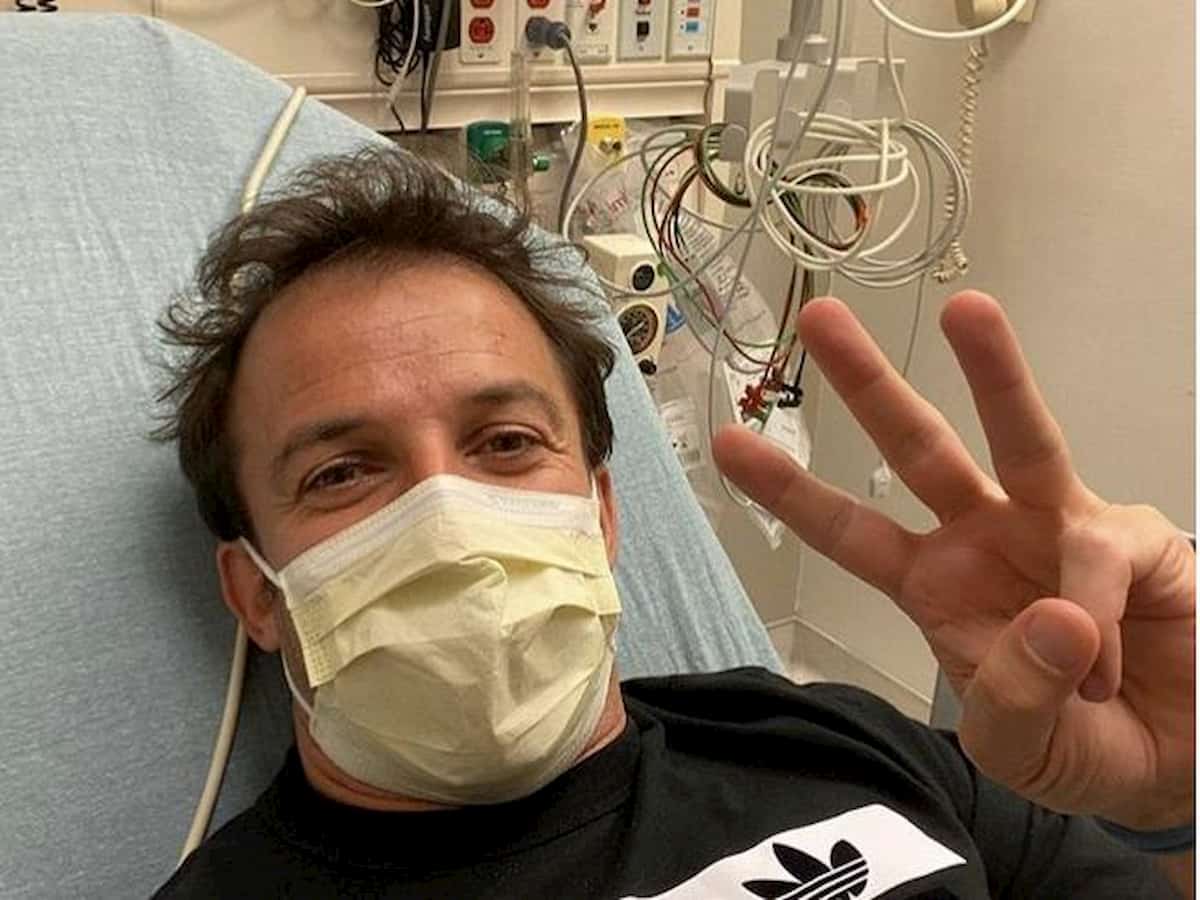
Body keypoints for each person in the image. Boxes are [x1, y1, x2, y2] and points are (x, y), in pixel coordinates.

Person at [152, 146, 1194, 898]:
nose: (447, 517)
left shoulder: (834, 739)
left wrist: (1176, 797)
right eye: (341, 473)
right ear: (257, 594)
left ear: (603, 515)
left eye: (507, 443)